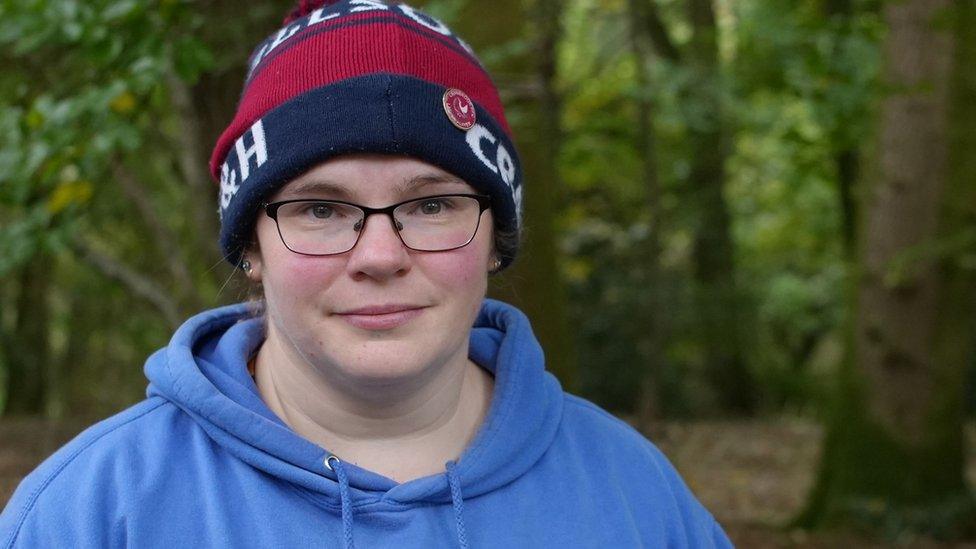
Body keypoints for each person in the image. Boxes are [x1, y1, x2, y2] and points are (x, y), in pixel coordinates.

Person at [0, 1, 732, 547]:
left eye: (434, 203)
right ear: (250, 246)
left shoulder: (636, 498)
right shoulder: (91, 511)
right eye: (321, 209)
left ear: (496, 240)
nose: (380, 256)